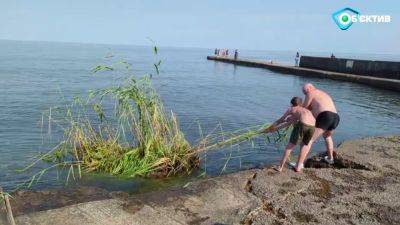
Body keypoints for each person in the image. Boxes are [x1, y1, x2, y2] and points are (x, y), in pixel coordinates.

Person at [294, 83, 340, 172]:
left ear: (311, 88)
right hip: (336, 117)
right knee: (327, 136)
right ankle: (330, 158)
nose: (305, 93)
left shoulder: (311, 93)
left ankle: (299, 165)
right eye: (304, 92)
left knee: (307, 140)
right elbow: (315, 107)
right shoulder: (323, 94)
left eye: (306, 90)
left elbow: (304, 108)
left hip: (326, 116)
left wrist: (293, 115)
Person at [263, 97, 316, 172]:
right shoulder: (304, 110)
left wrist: (269, 128)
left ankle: (280, 167)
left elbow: (281, 120)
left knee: (290, 147)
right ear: (301, 104)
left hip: (303, 125)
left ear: (291, 104)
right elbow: (289, 123)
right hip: (313, 126)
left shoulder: (292, 109)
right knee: (304, 145)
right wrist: (274, 129)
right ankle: (298, 167)